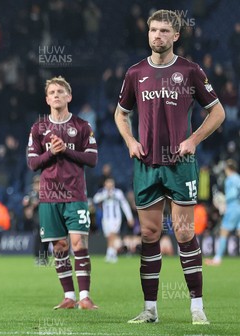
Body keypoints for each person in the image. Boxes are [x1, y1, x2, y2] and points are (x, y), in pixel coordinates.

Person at [114, 10, 226, 324]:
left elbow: (217, 113)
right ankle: (150, 310)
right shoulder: (135, 73)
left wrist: (193, 139)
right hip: (147, 164)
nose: (157, 36)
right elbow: (120, 114)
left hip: (181, 164)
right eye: (153, 30)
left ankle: (197, 308)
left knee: (184, 232)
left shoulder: (190, 71)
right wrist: (130, 141)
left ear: (176, 35)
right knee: (149, 235)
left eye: (164, 31)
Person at [27, 76, 99, 310]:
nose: (56, 95)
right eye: (52, 92)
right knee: (59, 247)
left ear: (69, 97)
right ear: (47, 99)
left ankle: (85, 297)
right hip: (48, 197)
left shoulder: (82, 126)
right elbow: (32, 163)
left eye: (60, 91)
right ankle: (69, 296)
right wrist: (52, 153)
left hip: (75, 195)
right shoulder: (38, 128)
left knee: (78, 244)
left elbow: (92, 158)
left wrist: (66, 150)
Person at [206, 159, 240, 266]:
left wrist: (224, 199)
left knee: (223, 232)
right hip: (238, 207)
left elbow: (233, 193)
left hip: (233, 208)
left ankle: (217, 259)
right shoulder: (238, 177)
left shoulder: (230, 179)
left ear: (228, 169)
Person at [92, 178, 134, 263]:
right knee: (108, 237)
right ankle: (112, 253)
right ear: (105, 184)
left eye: (111, 182)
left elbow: (124, 204)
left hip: (116, 218)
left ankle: (110, 254)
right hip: (106, 218)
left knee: (112, 235)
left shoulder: (118, 192)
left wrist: (129, 217)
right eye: (108, 182)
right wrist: (106, 195)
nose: (110, 184)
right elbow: (95, 199)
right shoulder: (102, 192)